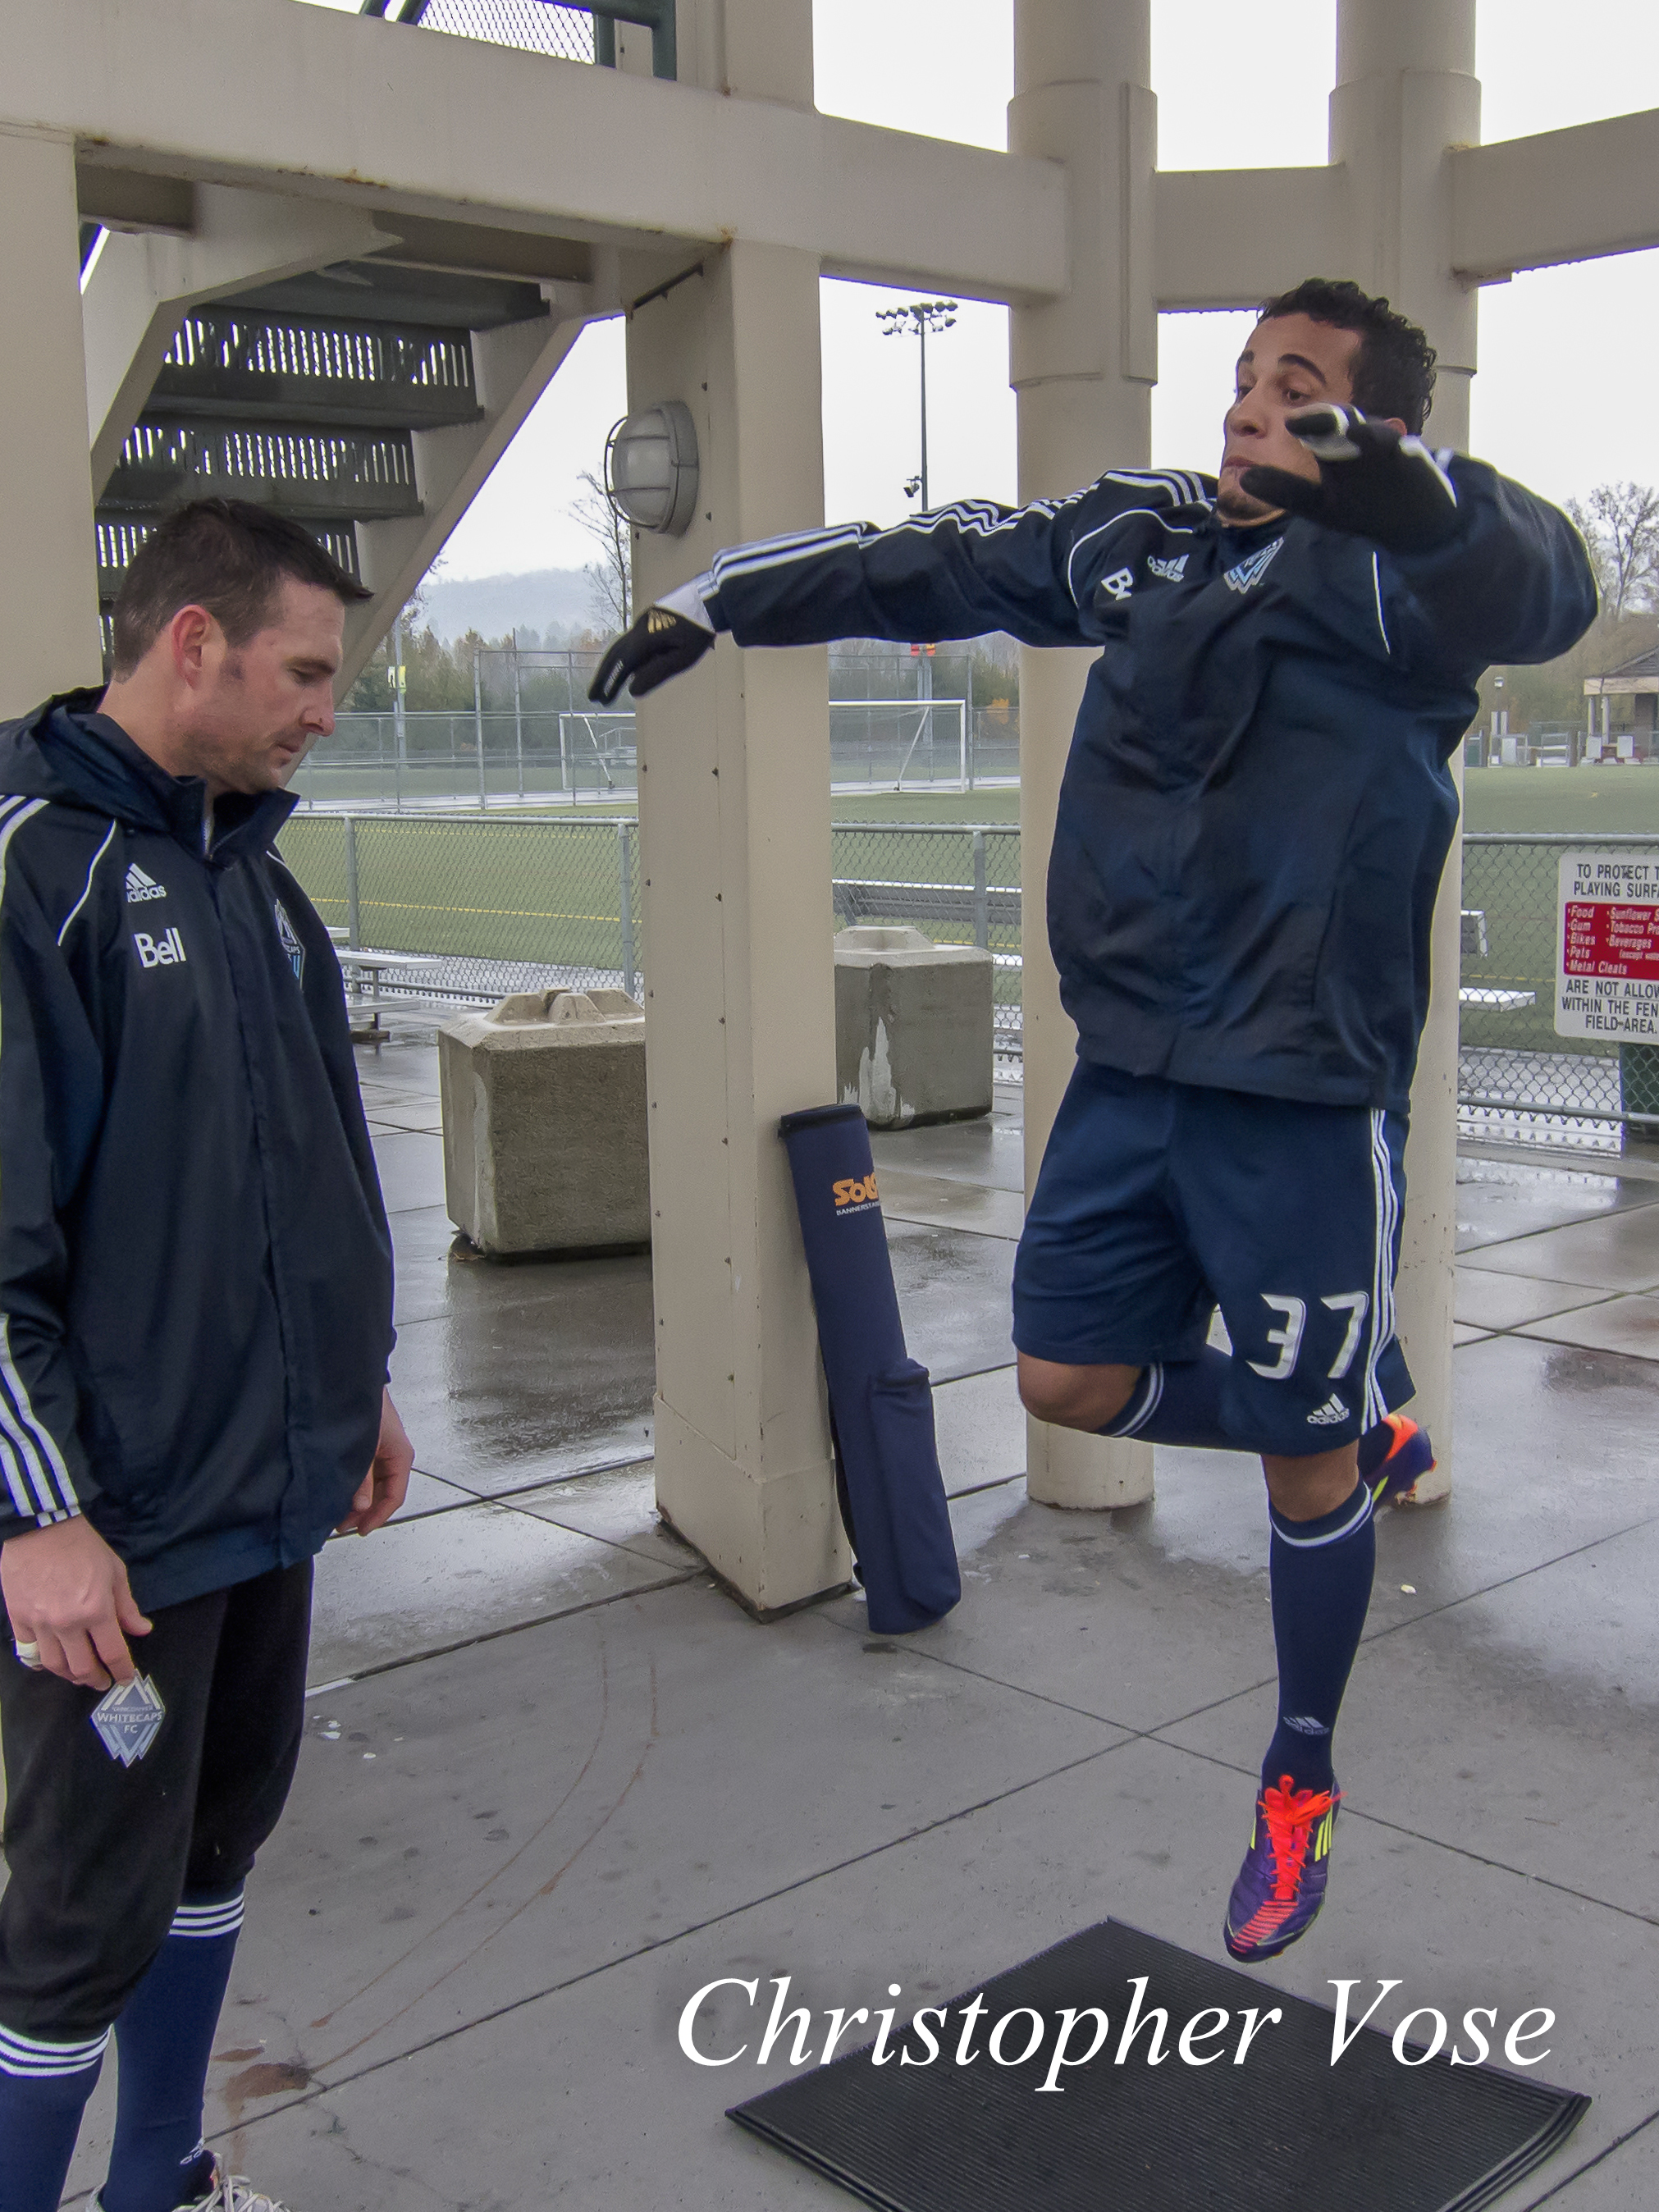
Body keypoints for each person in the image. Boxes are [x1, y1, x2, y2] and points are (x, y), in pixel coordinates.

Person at [590, 278, 1597, 1961]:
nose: (1247, 410)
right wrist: (721, 596)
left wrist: (1423, 499)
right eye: (1243, 380)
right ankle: (1351, 1414)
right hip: (1129, 1061)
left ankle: (1300, 1771)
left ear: (1377, 426)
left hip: (1299, 1084)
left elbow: (1550, 586)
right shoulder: (1145, 535)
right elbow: (941, 554)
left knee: (1297, 1462)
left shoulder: (1409, 573)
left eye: (1295, 389)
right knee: (1064, 1376)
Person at [0, 500, 412, 2212]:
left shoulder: (257, 882)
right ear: (194, 645)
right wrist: (36, 1517)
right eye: (305, 671)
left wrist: (353, 1387)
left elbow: (309, 1167)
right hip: (119, 1529)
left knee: (215, 1849)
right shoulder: (39, 873)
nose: (326, 707)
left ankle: (159, 2180)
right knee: (74, 1927)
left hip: (268, 1492)